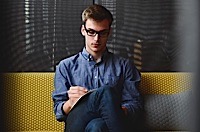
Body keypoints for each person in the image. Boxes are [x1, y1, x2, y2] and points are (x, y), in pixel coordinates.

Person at [52, 4, 143, 132]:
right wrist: (70, 102)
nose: (96, 38)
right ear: (83, 30)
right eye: (91, 32)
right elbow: (59, 113)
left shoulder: (125, 66)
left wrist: (111, 109)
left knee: (97, 126)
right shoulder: (65, 66)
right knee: (105, 92)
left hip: (105, 126)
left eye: (102, 33)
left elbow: (135, 107)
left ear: (109, 32)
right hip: (77, 126)